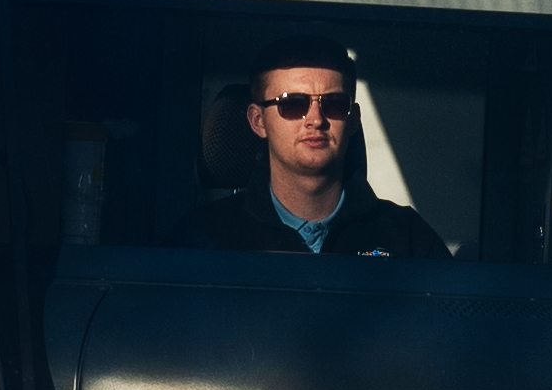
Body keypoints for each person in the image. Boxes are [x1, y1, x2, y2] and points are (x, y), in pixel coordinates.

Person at [190, 48, 447, 257]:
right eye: (292, 103)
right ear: (258, 121)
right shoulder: (204, 238)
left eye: (334, 103)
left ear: (354, 120)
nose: (316, 119)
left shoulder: (408, 239)